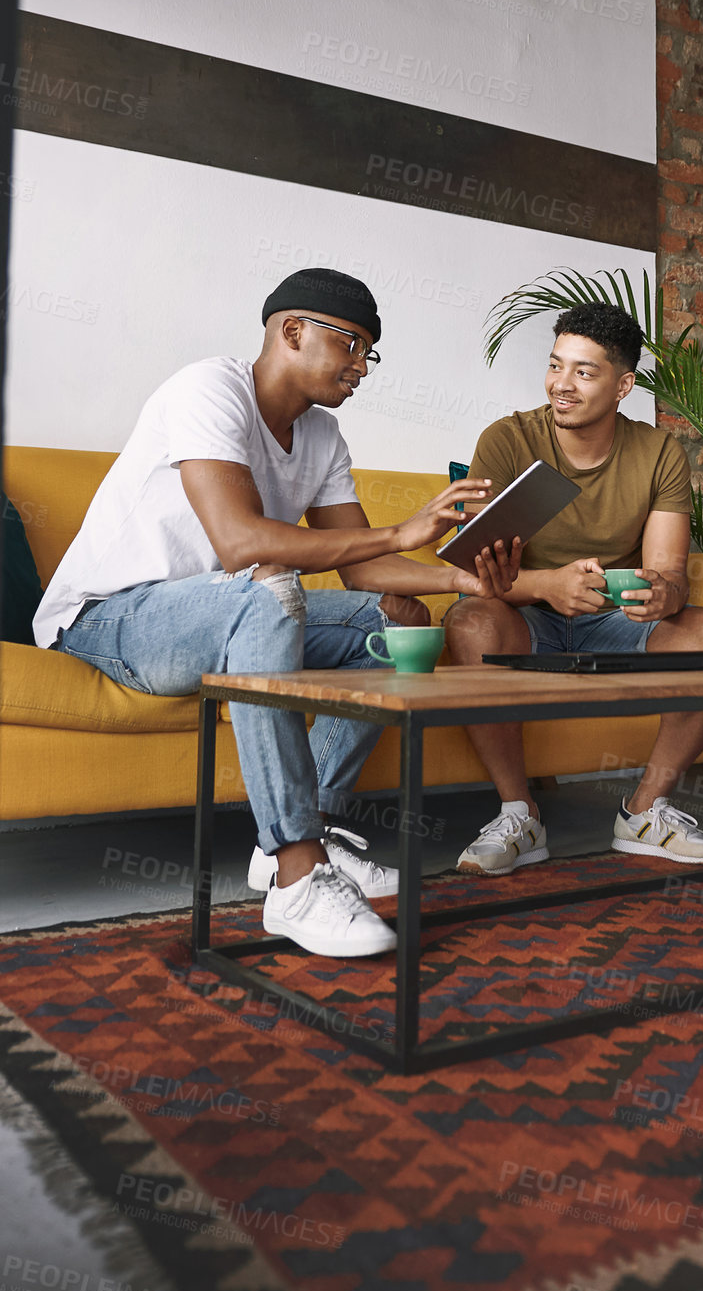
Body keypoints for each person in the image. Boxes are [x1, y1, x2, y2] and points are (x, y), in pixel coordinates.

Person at [34, 269, 519, 958]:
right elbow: (241, 542)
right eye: (352, 345)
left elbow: (363, 571)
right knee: (267, 586)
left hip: (230, 613)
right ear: (292, 332)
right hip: (114, 617)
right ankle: (296, 875)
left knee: (397, 619)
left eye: (369, 355)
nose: (362, 368)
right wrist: (398, 532)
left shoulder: (320, 436)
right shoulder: (206, 389)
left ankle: (308, 830)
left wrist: (459, 578)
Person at [445, 303, 703, 875]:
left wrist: (665, 595)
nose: (562, 385)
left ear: (623, 385)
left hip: (614, 620)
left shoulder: (657, 452)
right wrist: (548, 586)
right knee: (470, 620)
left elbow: (669, 573)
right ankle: (518, 814)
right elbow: (474, 572)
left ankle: (643, 811)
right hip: (526, 617)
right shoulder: (508, 440)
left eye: (584, 372)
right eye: (557, 365)